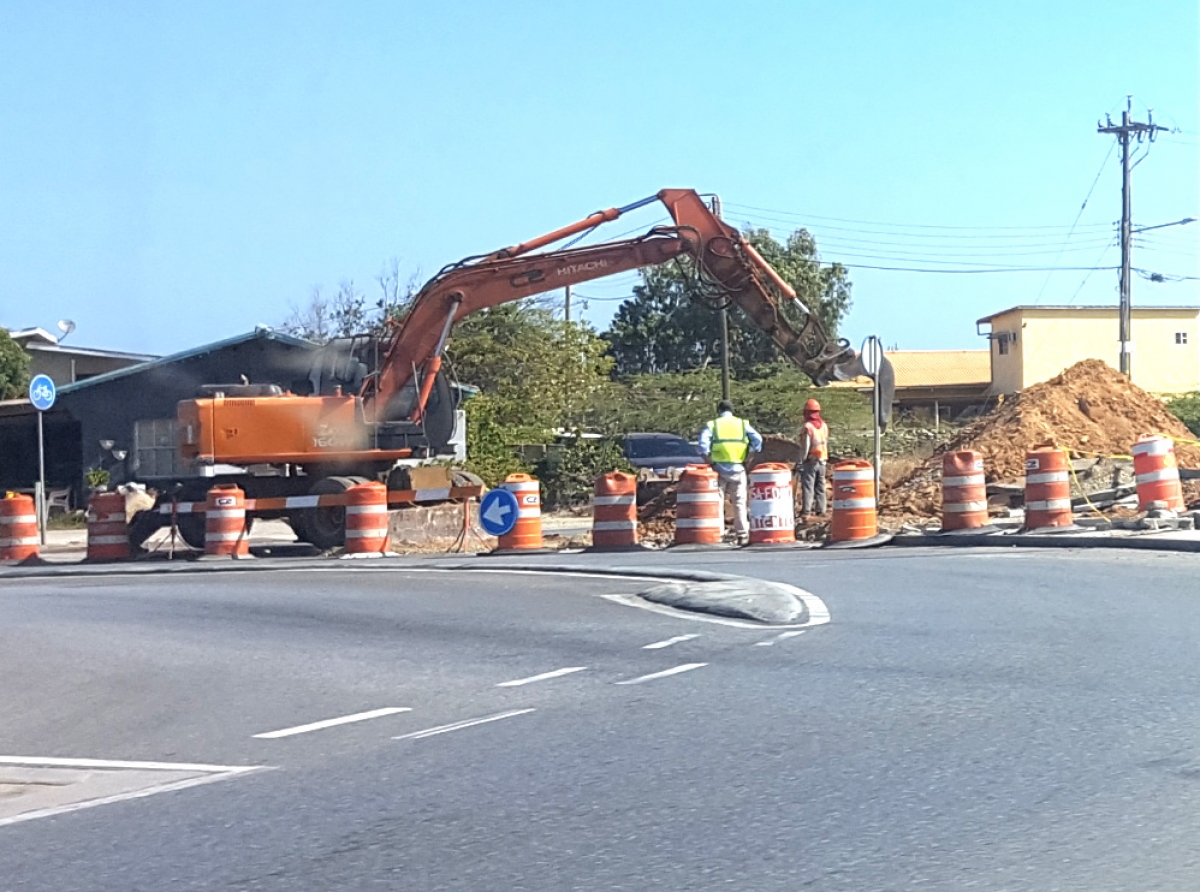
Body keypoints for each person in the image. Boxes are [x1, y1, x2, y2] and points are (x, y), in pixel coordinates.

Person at [698, 399, 763, 545]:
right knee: (740, 502)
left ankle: (719, 534)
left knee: (718, 501)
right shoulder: (742, 424)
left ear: (718, 411)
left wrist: (709, 460)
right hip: (738, 467)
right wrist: (751, 454)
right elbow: (758, 439)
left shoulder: (713, 424)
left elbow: (702, 445)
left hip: (718, 468)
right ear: (733, 411)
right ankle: (742, 534)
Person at [798, 397, 829, 519]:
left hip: (811, 461)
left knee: (808, 486)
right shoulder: (824, 425)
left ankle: (806, 511)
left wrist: (801, 461)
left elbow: (805, 446)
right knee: (820, 486)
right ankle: (821, 510)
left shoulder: (808, 427)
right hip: (823, 460)